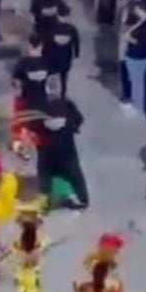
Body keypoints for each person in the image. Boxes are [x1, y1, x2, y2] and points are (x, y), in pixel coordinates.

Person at [37, 75, 89, 209]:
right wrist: (71, 126)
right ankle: (82, 199)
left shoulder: (40, 106)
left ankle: (45, 200)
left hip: (46, 150)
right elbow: (79, 120)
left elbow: (33, 125)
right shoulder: (67, 105)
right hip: (66, 148)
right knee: (75, 174)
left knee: (44, 175)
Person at [11, 34, 51, 154]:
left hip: (26, 99)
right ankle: (41, 150)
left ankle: (22, 150)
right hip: (42, 99)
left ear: (29, 46)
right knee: (40, 126)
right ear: (41, 46)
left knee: (23, 126)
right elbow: (51, 83)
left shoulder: (23, 63)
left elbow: (15, 82)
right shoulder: (46, 62)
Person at [120, 0, 146, 114]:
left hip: (137, 56)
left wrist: (137, 25)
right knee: (138, 82)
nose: (136, 13)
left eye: (138, 11)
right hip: (140, 56)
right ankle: (138, 104)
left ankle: (138, 105)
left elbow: (129, 37)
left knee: (137, 82)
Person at [42, 17, 80, 99]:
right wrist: (77, 54)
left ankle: (50, 92)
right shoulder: (72, 29)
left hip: (53, 57)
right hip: (66, 57)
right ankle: (63, 93)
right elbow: (76, 42)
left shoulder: (53, 28)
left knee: (50, 75)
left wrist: (44, 54)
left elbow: (47, 42)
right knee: (64, 76)